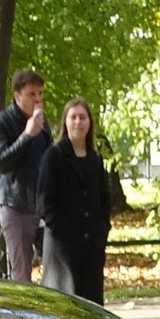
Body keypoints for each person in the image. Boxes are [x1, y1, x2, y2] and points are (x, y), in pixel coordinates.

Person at [39, 96, 113, 304]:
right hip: (62, 249)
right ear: (65, 122)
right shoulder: (54, 156)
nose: (78, 122)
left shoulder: (95, 160)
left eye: (83, 118)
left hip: (91, 248)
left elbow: (104, 201)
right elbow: (44, 202)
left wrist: (101, 230)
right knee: (65, 305)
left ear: (90, 123)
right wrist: (62, 231)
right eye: (73, 117)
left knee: (91, 306)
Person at [0, 68, 49, 281]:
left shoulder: (43, 123)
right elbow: (0, 162)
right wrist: (26, 135)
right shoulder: (1, 122)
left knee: (53, 264)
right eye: (32, 94)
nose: (38, 99)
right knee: (21, 274)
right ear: (17, 96)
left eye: (40, 94)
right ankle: (23, 314)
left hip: (43, 206)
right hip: (16, 207)